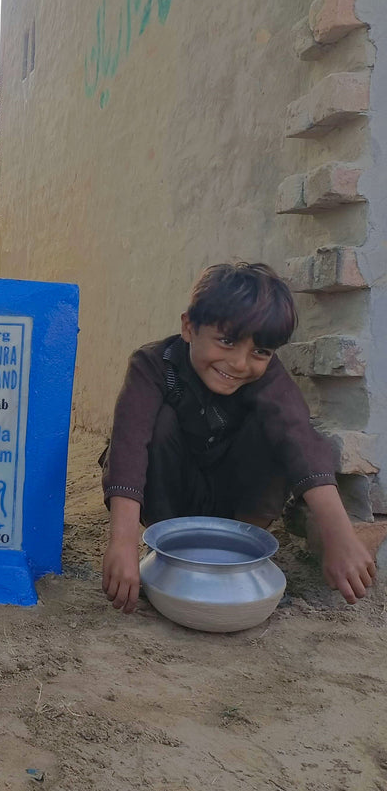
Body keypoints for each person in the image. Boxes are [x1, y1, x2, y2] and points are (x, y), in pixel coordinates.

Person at [100, 261, 376, 612]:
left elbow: (300, 439)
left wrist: (339, 534)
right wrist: (122, 541)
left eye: (260, 351)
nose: (241, 363)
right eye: (227, 341)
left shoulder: (268, 378)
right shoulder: (154, 365)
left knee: (277, 428)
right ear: (189, 327)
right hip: (171, 505)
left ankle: (241, 552)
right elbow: (129, 444)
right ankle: (166, 549)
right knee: (159, 422)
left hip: (236, 507)